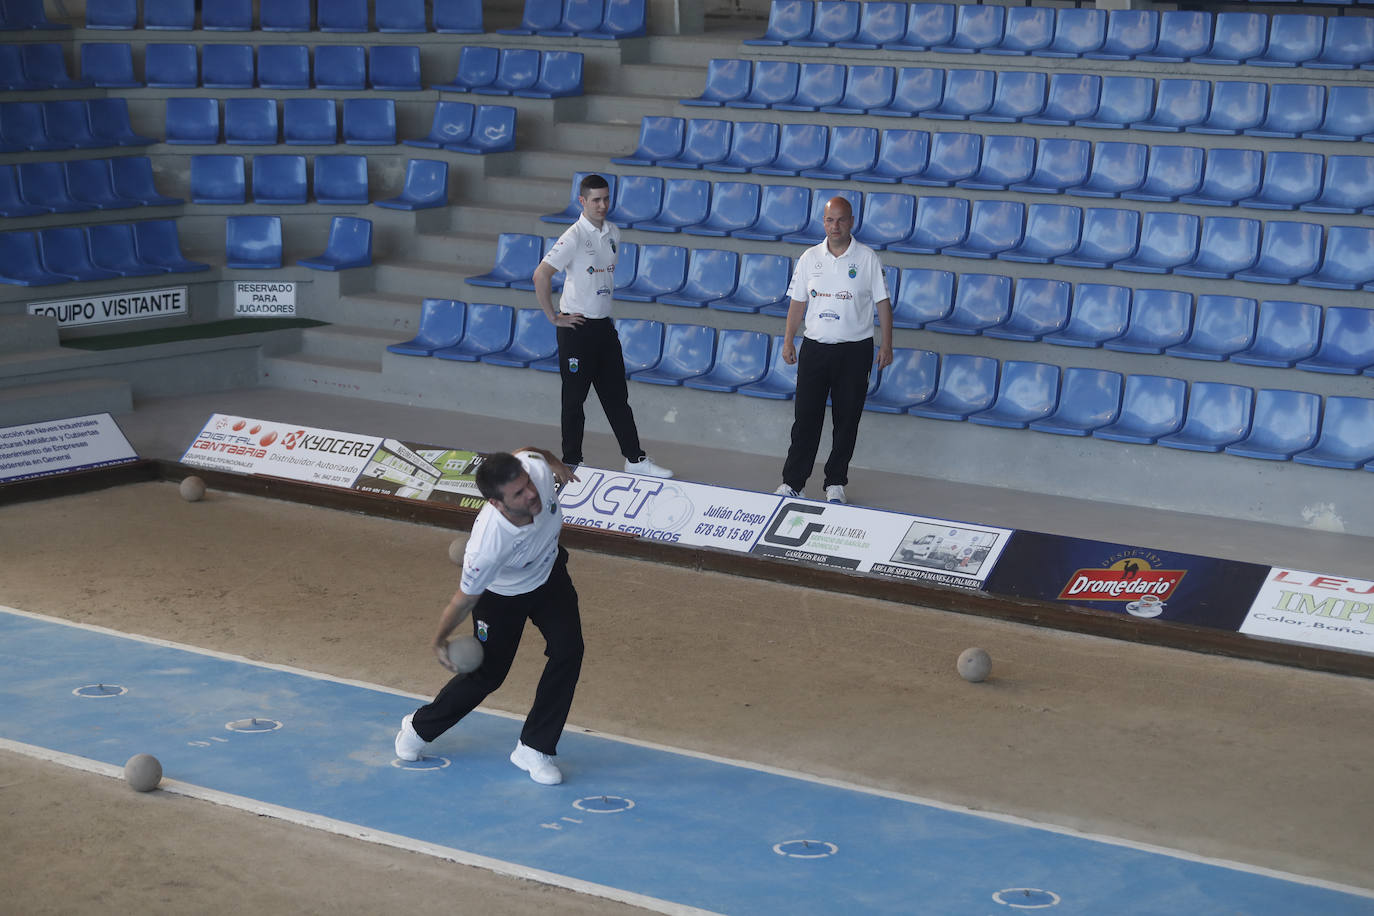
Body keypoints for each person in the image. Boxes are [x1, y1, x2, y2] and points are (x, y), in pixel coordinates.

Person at [394, 447, 584, 785]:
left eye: (528, 485)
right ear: (497, 503)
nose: (531, 494)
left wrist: (554, 463)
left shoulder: (535, 472)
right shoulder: (488, 546)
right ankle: (420, 727)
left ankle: (534, 747)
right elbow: (463, 600)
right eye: (518, 494)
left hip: (548, 575)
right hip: (501, 598)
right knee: (488, 676)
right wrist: (439, 640)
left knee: (569, 650)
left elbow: (527, 451)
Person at [533, 173, 673, 479]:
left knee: (617, 397)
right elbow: (541, 275)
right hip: (576, 330)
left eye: (606, 198)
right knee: (574, 400)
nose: (603, 205)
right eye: (595, 199)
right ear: (582, 201)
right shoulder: (573, 236)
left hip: (603, 329)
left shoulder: (613, 232)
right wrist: (553, 317)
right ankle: (571, 462)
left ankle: (635, 459)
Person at [775, 196, 893, 505]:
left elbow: (883, 304)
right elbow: (797, 303)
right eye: (829, 220)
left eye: (841, 220)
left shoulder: (867, 258)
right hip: (815, 348)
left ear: (852, 221)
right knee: (805, 420)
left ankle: (836, 482)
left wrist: (887, 344)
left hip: (855, 351)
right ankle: (793, 482)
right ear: (823, 222)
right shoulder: (809, 258)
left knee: (847, 420)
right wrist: (788, 339)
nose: (835, 226)